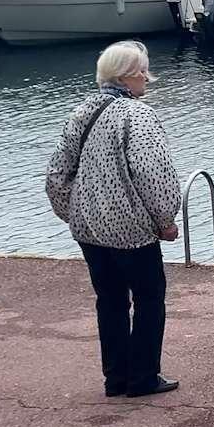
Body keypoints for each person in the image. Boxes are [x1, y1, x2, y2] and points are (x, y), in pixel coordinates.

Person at [46, 41, 185, 397]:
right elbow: (152, 173)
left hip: (87, 228)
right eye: (142, 72)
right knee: (149, 297)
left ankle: (116, 377)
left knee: (109, 299)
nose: (147, 78)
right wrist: (165, 220)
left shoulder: (81, 111)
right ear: (125, 77)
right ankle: (143, 377)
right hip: (129, 228)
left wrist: (73, 213)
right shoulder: (138, 115)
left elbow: (57, 174)